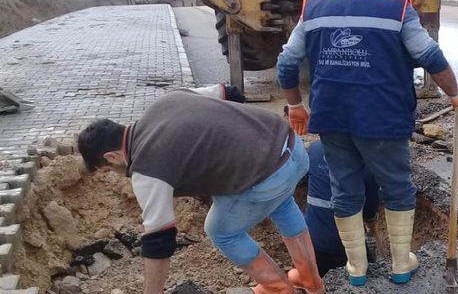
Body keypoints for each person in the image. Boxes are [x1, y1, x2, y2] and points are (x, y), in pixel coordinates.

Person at [276, 0, 458, 286]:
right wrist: (455, 95)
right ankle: (401, 265)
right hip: (382, 120)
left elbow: (286, 63)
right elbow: (429, 55)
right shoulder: (396, 5)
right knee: (398, 188)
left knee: (344, 191)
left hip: (331, 118)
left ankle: (357, 270)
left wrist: (296, 105)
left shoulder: (314, 5)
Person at [77, 84, 324, 294]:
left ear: (111, 157)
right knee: (280, 201)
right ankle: (309, 278)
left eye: (108, 170)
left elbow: (159, 241)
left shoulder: (145, 168)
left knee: (219, 230)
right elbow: (230, 92)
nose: (116, 175)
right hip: (293, 147)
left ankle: (278, 289)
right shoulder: (166, 101)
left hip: (269, 176)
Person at [305, 140, 379, 276]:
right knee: (367, 276)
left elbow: (304, 178)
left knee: (318, 280)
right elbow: (370, 207)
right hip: (346, 244)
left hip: (310, 238)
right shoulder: (368, 159)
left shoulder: (315, 148)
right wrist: (371, 226)